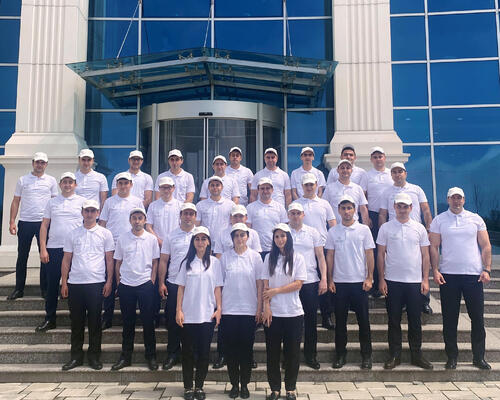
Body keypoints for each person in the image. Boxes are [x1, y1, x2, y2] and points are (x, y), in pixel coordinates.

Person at [430, 187, 492, 370]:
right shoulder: (439, 220)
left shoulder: (475, 219)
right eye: (453, 198)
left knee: (477, 318)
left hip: (473, 276)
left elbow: (486, 245)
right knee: (450, 319)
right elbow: (433, 247)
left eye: (459, 198)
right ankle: (452, 357)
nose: (456, 201)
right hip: (448, 276)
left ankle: (478, 357)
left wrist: (487, 269)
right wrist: (435, 270)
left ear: (464, 200)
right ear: (448, 199)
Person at [377, 193, 432, 370]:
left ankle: (416, 355)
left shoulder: (419, 228)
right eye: (399, 206)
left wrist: (425, 279)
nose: (402, 209)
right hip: (392, 281)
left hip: (414, 282)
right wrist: (381, 279)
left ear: (411, 208)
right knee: (393, 321)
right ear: (394, 207)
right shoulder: (385, 228)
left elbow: (425, 255)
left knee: (415, 320)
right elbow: (380, 254)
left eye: (405, 206)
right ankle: (395, 355)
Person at [60, 199, 114, 371]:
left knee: (95, 322)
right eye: (87, 211)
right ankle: (76, 357)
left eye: (93, 211)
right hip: (75, 283)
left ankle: (94, 357)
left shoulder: (105, 234)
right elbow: (66, 259)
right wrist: (64, 282)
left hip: (96, 283)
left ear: (98, 213)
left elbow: (109, 260)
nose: (89, 214)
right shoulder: (72, 234)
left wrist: (109, 281)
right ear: (82, 212)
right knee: (76, 322)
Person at [325, 195, 374, 369]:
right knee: (340, 322)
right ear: (339, 210)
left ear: (354, 209)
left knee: (364, 322)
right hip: (340, 283)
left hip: (359, 282)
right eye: (343, 208)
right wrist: (330, 279)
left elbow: (369, 254)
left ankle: (366, 356)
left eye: (349, 208)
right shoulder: (333, 232)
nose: (346, 211)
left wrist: (369, 277)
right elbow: (330, 256)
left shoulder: (363, 230)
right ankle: (340, 355)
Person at [174, 226, 223, 400]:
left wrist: (219, 308)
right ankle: (188, 387)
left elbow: (217, 288)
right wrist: (178, 310)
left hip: (206, 315)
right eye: (197, 239)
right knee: (187, 353)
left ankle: (199, 386)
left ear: (208, 242)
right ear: (193, 242)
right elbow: (181, 288)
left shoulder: (215, 263)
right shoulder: (186, 263)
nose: (200, 242)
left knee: (203, 353)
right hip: (188, 315)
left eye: (203, 239)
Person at [378, 162, 433, 314]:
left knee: (419, 264)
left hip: (416, 233)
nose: (397, 174)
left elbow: (426, 210)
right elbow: (382, 214)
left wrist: (429, 228)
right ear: (391, 175)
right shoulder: (386, 192)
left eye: (400, 171)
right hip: (394, 232)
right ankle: (401, 302)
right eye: (394, 172)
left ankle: (424, 301)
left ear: (405, 173)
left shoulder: (416, 189)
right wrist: (383, 231)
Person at [111, 208, 160, 371]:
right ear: (130, 220)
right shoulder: (123, 238)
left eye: (140, 218)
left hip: (145, 283)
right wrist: (119, 282)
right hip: (126, 284)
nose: (137, 221)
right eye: (134, 218)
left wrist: (152, 280)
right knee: (127, 323)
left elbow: (155, 262)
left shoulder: (151, 239)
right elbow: (118, 262)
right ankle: (126, 357)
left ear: (145, 220)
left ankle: (151, 356)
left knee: (148, 322)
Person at [36, 172, 85, 332]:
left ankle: (75, 318)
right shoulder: (52, 202)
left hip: (75, 249)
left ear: (75, 184)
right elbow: (44, 226)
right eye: (65, 182)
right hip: (54, 248)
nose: (67, 185)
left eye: (70, 182)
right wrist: (43, 248)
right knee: (51, 286)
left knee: (74, 285)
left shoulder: (82, 202)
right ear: (60, 184)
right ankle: (50, 319)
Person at [261, 224, 306, 400]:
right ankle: (275, 388)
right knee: (272, 352)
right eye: (277, 237)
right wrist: (266, 307)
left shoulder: (298, 257)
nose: (280, 239)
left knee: (292, 352)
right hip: (274, 313)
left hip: (293, 312)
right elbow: (265, 285)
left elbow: (298, 283)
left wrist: (277, 291)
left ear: (288, 237)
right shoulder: (268, 258)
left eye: (283, 236)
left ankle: (290, 388)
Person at [220, 223, 263, 399]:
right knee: (231, 351)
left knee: (246, 350)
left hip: (248, 310)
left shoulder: (255, 257)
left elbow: (260, 284)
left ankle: (244, 385)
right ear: (232, 238)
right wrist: (219, 308)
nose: (239, 238)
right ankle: (234, 385)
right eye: (236, 235)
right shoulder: (225, 257)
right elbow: (219, 285)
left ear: (248, 237)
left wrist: (259, 308)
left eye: (242, 235)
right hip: (229, 310)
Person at [7, 152, 58, 301]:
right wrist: (12, 221)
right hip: (25, 222)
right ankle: (19, 289)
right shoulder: (23, 180)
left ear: (46, 164)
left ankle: (45, 289)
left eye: (42, 162)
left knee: (45, 256)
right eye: (37, 162)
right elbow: (16, 201)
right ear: (33, 163)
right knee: (22, 256)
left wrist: (55, 222)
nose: (39, 165)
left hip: (44, 223)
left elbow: (54, 203)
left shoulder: (51, 180)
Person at [99, 172, 143, 330]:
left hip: (131, 245)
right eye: (121, 183)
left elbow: (141, 222)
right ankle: (107, 317)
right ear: (117, 185)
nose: (123, 186)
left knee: (129, 280)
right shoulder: (109, 202)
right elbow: (102, 223)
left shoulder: (137, 201)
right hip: (112, 245)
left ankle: (133, 317)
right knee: (110, 280)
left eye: (126, 183)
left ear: (131, 185)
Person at [293, 173, 336, 330]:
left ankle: (326, 316)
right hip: (301, 248)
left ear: (317, 185)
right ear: (302, 187)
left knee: (323, 282)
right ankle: (301, 318)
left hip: (321, 247)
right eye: (306, 185)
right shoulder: (296, 204)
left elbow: (332, 223)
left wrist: (333, 243)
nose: (309, 187)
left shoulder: (324, 204)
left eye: (312, 184)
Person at [287, 203, 327, 370]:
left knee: (311, 321)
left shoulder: (312, 232)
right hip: (289, 283)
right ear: (288, 215)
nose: (295, 216)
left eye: (298, 213)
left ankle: (311, 355)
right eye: (292, 213)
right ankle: (290, 357)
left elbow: (320, 257)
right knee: (289, 322)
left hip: (310, 281)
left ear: (303, 215)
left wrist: (323, 278)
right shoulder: (284, 232)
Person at [158, 203, 198, 370]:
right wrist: (161, 282)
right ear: (180, 215)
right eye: (185, 213)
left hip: (195, 284)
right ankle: (173, 354)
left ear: (195, 216)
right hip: (174, 282)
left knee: (193, 321)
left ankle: (192, 354)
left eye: (191, 214)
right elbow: (164, 260)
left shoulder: (201, 234)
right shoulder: (171, 236)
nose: (188, 216)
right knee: (174, 321)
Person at [365, 147, 392, 298]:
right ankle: (376, 285)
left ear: (384, 158)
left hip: (391, 215)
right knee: (375, 250)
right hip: (374, 216)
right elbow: (364, 196)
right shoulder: (367, 175)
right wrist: (367, 216)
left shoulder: (391, 174)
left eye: (380, 156)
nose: (378, 159)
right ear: (371, 159)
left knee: (391, 249)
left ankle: (391, 282)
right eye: (375, 157)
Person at [247, 177, 288, 261]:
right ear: (258, 190)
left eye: (268, 188)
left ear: (272, 190)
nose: (265, 191)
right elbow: (248, 230)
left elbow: (284, 230)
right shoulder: (250, 207)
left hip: (275, 249)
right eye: (262, 188)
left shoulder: (280, 207)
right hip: (256, 250)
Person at [323, 159, 370, 226]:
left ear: (351, 171)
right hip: (336, 227)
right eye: (342, 168)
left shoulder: (358, 188)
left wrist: (366, 226)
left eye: (348, 168)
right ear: (337, 170)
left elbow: (363, 208)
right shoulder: (329, 188)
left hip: (355, 227)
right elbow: (324, 207)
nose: (345, 170)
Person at [196, 176, 235, 241]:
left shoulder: (231, 205)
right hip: (206, 243)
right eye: (212, 185)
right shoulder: (200, 205)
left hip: (224, 242)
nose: (215, 188)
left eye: (217, 185)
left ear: (222, 187)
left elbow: (233, 224)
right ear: (208, 188)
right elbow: (197, 225)